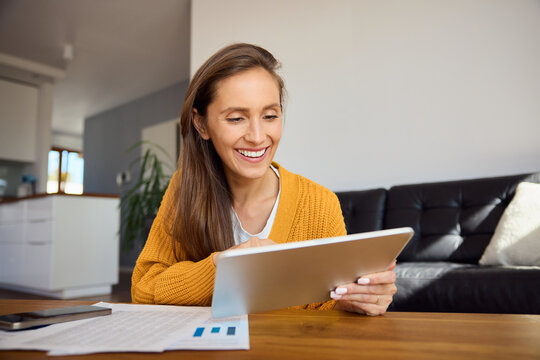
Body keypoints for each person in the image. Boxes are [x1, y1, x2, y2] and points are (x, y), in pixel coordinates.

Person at [131, 43, 397, 316]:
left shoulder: (320, 203)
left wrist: (358, 300)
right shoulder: (183, 190)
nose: (257, 137)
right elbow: (144, 287)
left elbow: (327, 308)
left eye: (270, 116)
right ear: (202, 125)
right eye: (236, 118)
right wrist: (225, 265)